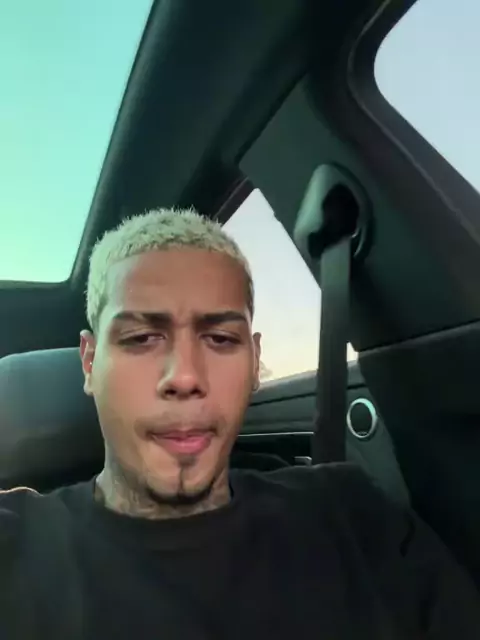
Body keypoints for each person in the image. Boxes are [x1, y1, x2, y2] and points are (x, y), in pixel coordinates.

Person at [1, 208, 479, 640]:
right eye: (142, 337)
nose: (185, 377)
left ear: (254, 361)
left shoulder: (354, 513)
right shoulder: (18, 547)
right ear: (89, 363)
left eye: (221, 338)